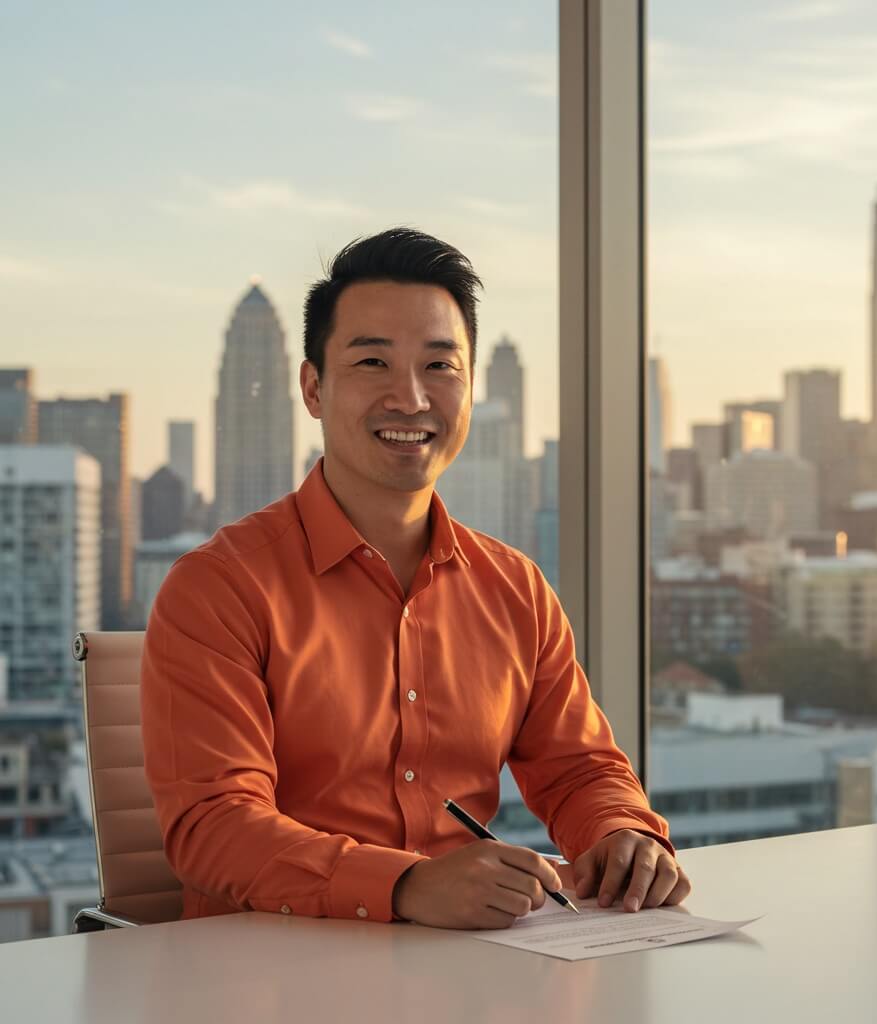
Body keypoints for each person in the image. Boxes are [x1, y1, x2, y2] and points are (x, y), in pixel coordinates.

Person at [140, 227, 690, 930]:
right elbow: (213, 827)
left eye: (440, 366)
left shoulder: (515, 590)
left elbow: (581, 770)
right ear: (313, 387)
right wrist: (405, 886)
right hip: (270, 976)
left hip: (473, 967)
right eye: (373, 362)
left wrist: (622, 835)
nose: (411, 397)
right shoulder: (219, 589)